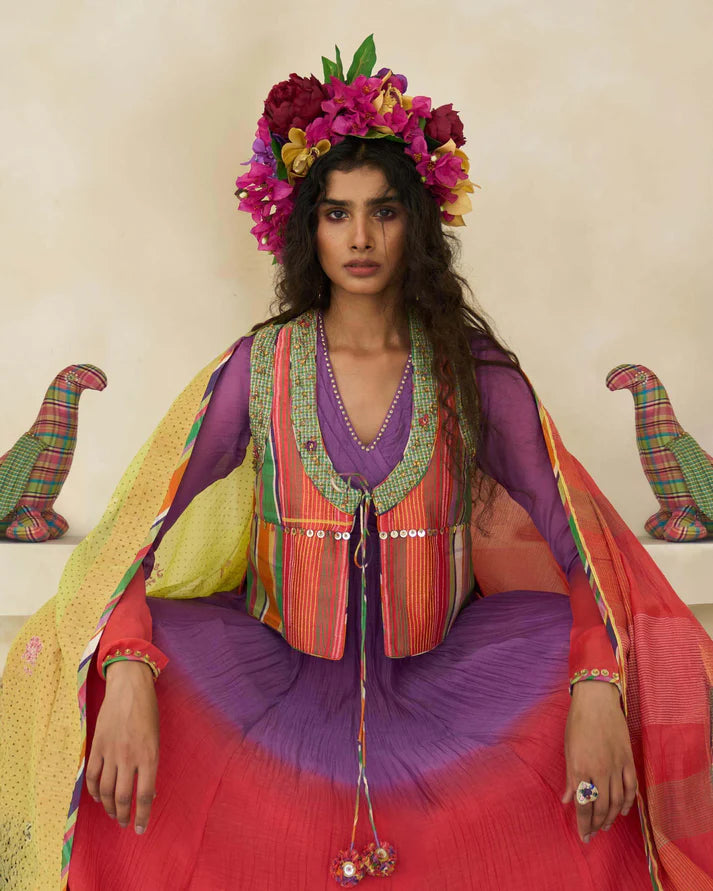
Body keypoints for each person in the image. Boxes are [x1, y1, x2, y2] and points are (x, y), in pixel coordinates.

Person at [2, 38, 712, 891]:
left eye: (384, 211)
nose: (361, 237)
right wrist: (124, 666)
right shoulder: (259, 369)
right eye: (336, 213)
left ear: (419, 223)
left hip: (453, 676)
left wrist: (596, 684)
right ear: (305, 226)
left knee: (612, 696)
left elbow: (582, 549)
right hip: (268, 675)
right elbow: (129, 537)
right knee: (102, 680)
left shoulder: (475, 374)